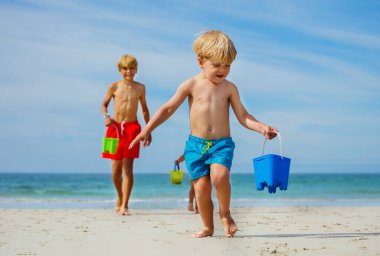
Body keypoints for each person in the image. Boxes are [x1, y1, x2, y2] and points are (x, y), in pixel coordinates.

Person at [129, 30, 277, 238]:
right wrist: (147, 129)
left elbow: (243, 116)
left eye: (227, 65)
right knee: (201, 189)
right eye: (216, 64)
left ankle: (225, 213)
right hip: (195, 146)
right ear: (201, 61)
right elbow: (168, 109)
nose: (223, 70)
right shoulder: (191, 84)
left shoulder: (229, 88)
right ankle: (207, 226)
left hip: (221, 144)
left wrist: (261, 127)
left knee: (220, 176)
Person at [101, 54, 152, 216]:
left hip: (132, 129)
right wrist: (106, 116)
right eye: (124, 68)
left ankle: (125, 205)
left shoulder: (140, 88)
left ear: (136, 70)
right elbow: (103, 105)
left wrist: (147, 130)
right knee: (115, 170)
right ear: (119, 70)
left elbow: (144, 110)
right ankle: (120, 197)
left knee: (128, 169)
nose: (128, 71)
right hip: (114, 129)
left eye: (131, 68)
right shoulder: (114, 86)